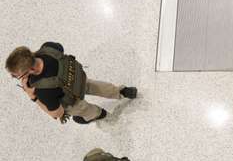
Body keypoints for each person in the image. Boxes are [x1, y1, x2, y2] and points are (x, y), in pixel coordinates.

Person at [5, 42, 137, 124]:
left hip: (72, 99)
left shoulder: (42, 89)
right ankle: (122, 91)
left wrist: (32, 96)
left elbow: (57, 113)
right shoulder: (48, 47)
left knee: (85, 109)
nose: (17, 77)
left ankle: (102, 115)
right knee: (95, 86)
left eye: (18, 76)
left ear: (31, 69)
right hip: (79, 79)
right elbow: (60, 48)